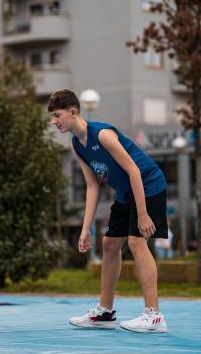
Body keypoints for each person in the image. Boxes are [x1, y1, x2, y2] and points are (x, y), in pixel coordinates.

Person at [48, 89, 168, 333]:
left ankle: (154, 316)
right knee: (110, 244)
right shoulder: (76, 145)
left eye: (57, 115)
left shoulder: (102, 135)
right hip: (126, 194)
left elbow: (134, 171)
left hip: (149, 186)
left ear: (73, 112)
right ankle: (105, 312)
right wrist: (85, 230)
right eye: (51, 116)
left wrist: (143, 213)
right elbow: (92, 186)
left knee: (136, 243)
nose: (53, 121)